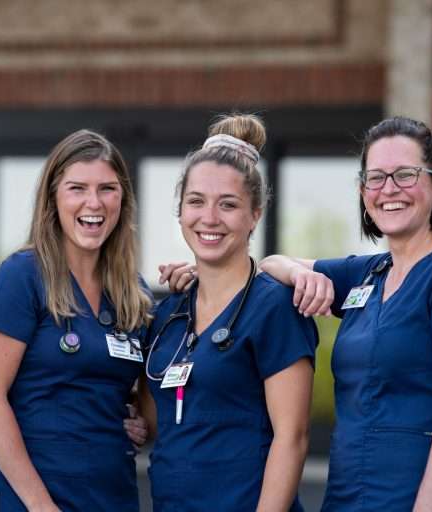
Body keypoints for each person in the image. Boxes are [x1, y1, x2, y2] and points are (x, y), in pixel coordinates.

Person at [260, 116, 432, 511]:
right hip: (348, 497)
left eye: (405, 175)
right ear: (363, 192)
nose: (388, 189)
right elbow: (266, 264)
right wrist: (296, 273)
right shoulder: (367, 274)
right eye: (375, 178)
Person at [139, 114, 318, 511]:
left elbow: (294, 438)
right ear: (180, 210)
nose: (209, 218)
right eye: (196, 201)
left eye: (229, 205)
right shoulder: (168, 314)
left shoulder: (274, 308)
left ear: (255, 214)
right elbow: (157, 421)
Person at [0, 130, 152, 511]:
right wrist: (41, 506)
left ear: (123, 198)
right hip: (33, 496)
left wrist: (136, 415)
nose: (94, 202)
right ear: (53, 198)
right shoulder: (22, 277)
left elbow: (120, 388)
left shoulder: (134, 292)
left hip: (111, 493)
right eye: (77, 188)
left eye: (107, 188)